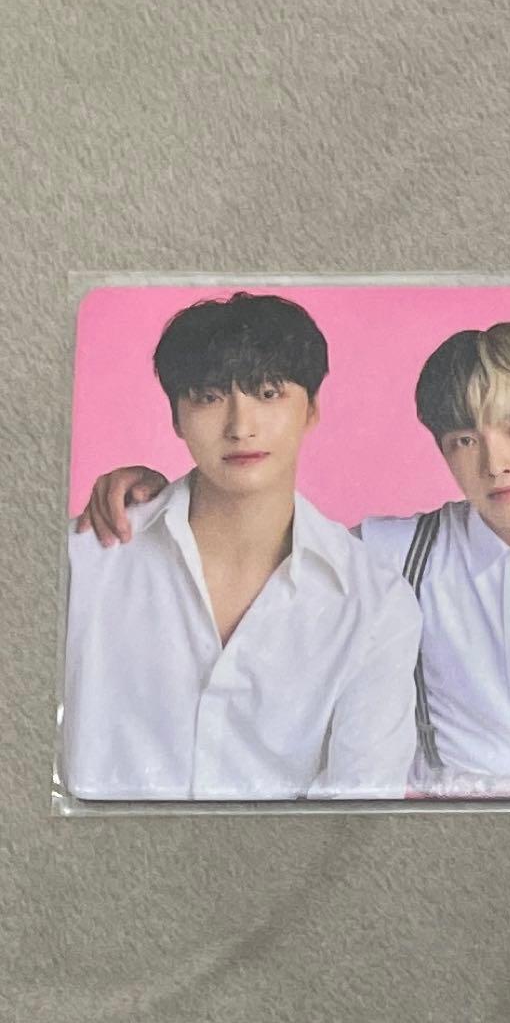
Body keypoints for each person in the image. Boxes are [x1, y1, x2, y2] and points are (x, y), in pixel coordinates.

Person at [77, 321, 510, 797]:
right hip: (436, 851)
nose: (495, 463)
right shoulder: (395, 555)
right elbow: (265, 538)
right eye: (465, 439)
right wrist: (158, 497)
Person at [63, 293, 421, 801]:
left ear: (311, 409)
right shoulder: (84, 561)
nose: (240, 427)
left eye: (268, 393)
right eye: (209, 397)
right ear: (176, 417)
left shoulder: (375, 603)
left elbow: (358, 813)